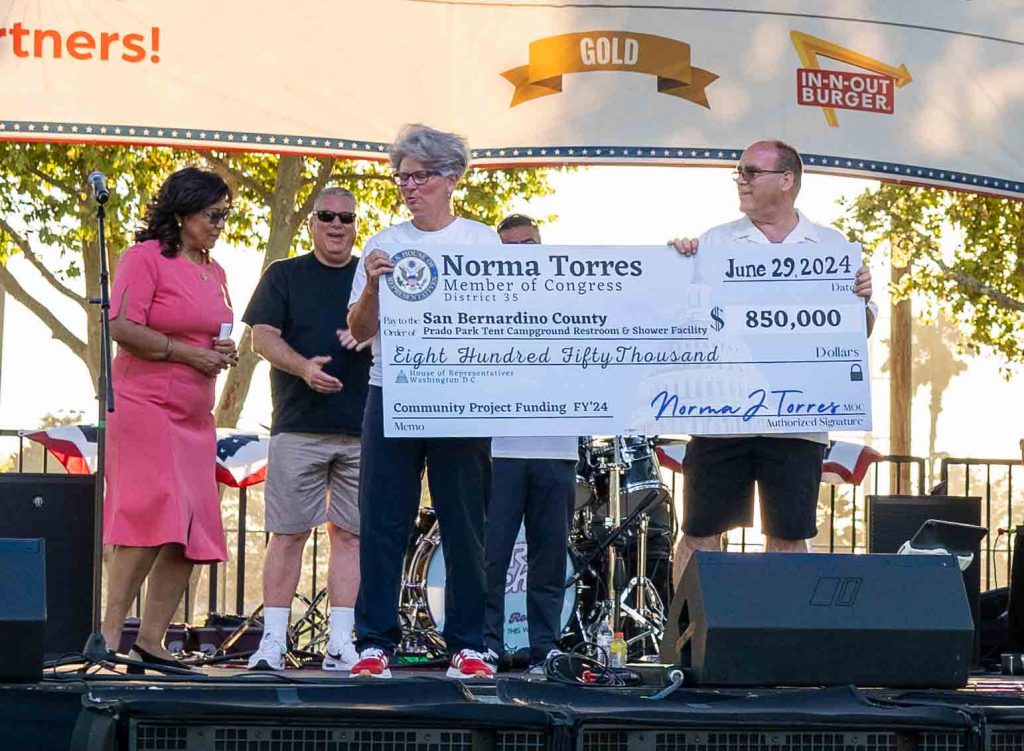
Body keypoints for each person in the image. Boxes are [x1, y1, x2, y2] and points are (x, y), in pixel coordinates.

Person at [669, 139, 877, 581]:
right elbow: (680, 317)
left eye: (751, 172)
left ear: (787, 180)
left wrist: (860, 302)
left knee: (788, 535)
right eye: (739, 172)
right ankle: (688, 642)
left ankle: (784, 641)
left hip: (797, 422)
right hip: (721, 416)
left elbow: (858, 332)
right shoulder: (713, 241)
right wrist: (673, 266)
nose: (740, 180)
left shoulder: (831, 245)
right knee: (700, 534)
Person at [347, 123, 498, 679]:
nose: (407, 187)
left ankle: (467, 643)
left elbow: (503, 321)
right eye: (401, 177)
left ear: (451, 178)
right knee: (384, 519)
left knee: (464, 523)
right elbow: (360, 331)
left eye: (419, 177)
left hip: (460, 398)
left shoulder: (482, 241)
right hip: (392, 392)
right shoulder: (384, 240)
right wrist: (370, 286)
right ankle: (374, 643)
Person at [101, 167, 237, 668]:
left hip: (194, 417)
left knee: (192, 531)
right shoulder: (144, 259)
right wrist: (187, 354)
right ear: (182, 214)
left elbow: (213, 331)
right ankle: (108, 639)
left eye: (226, 214)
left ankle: (151, 642)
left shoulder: (216, 271)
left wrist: (223, 350)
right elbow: (121, 326)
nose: (221, 223)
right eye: (213, 214)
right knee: (149, 516)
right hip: (144, 407)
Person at [241, 187, 372, 671]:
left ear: (356, 224)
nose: (337, 224)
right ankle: (273, 641)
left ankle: (342, 642)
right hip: (299, 427)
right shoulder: (284, 275)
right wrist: (304, 369)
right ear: (312, 223)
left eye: (346, 217)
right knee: (288, 533)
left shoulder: (370, 277)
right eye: (327, 216)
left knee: (352, 537)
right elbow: (261, 338)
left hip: (364, 428)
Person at [483, 214, 577, 672]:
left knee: (548, 558)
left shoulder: (572, 298)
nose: (524, 253)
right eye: (512, 247)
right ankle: (485, 643)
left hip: (558, 449)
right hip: (498, 450)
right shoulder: (480, 302)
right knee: (491, 556)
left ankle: (545, 645)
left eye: (531, 244)